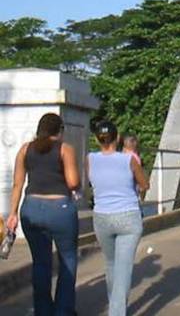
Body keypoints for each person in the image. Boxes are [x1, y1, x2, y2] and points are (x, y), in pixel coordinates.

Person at [6, 112, 80, 315]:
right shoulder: (65, 149)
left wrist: (12, 214)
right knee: (68, 259)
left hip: (30, 208)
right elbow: (73, 182)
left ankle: (43, 311)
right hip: (59, 210)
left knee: (40, 262)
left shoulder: (24, 149)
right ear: (60, 131)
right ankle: (63, 310)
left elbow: (17, 184)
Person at [88, 120, 149, 316]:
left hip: (102, 218)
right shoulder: (128, 159)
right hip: (128, 217)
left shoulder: (90, 158)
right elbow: (144, 184)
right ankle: (117, 312)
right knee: (123, 267)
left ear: (97, 139)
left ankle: (117, 307)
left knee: (111, 264)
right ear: (118, 138)